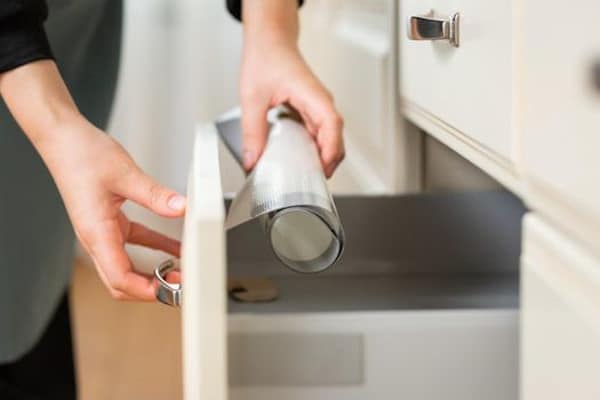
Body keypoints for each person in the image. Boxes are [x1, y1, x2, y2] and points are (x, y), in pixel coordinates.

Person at [0, 0, 344, 398]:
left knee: (29, 288)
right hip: (24, 69)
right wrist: (57, 129)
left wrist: (272, 35)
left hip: (59, 47)